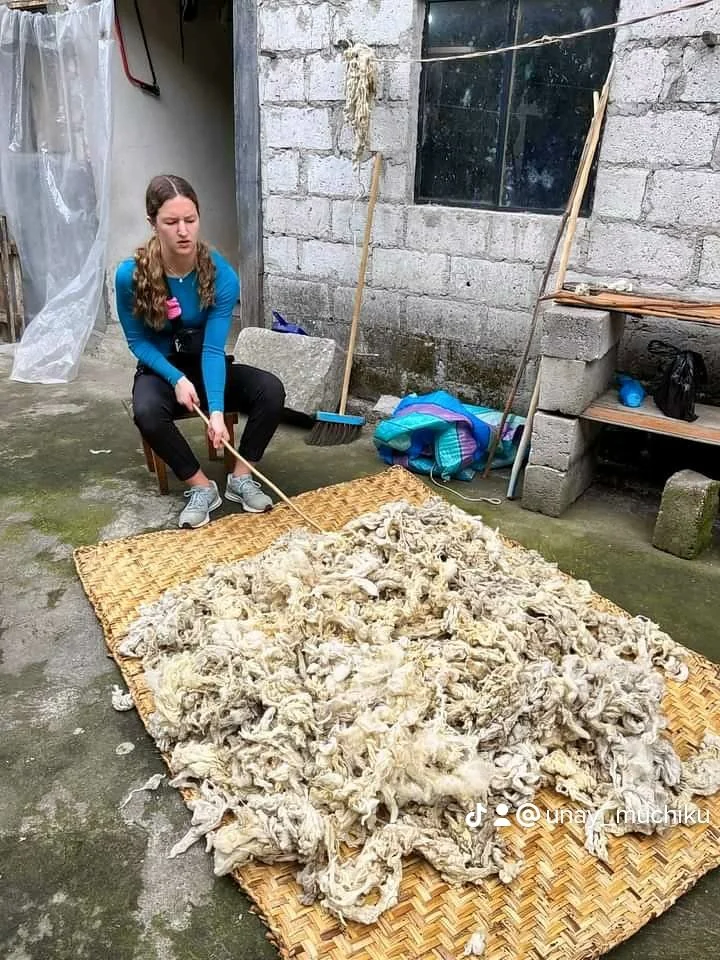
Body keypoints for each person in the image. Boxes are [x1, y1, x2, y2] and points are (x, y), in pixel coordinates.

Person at [115, 174, 285, 529]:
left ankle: (241, 477)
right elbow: (138, 342)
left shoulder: (221, 275)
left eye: (190, 220)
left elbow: (212, 348)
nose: (183, 231)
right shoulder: (129, 277)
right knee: (146, 411)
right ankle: (201, 487)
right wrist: (175, 378)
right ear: (152, 223)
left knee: (270, 389)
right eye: (171, 222)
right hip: (161, 370)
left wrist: (218, 411)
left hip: (203, 363)